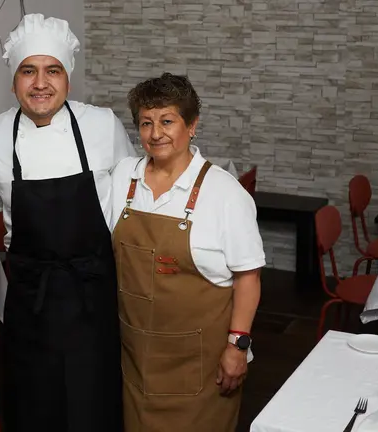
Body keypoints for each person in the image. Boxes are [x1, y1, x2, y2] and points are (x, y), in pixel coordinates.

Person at [0, 13, 136, 432]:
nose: (40, 83)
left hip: (94, 299)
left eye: (53, 71)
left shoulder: (103, 126)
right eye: (28, 71)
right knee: (33, 408)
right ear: (13, 80)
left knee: (94, 406)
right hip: (31, 305)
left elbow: (127, 208)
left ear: (68, 77)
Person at [110, 73, 264, 431]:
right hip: (136, 359)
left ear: (192, 126)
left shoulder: (225, 194)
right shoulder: (122, 179)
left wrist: (237, 348)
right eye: (146, 123)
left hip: (201, 369)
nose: (155, 133)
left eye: (167, 121)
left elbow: (249, 277)